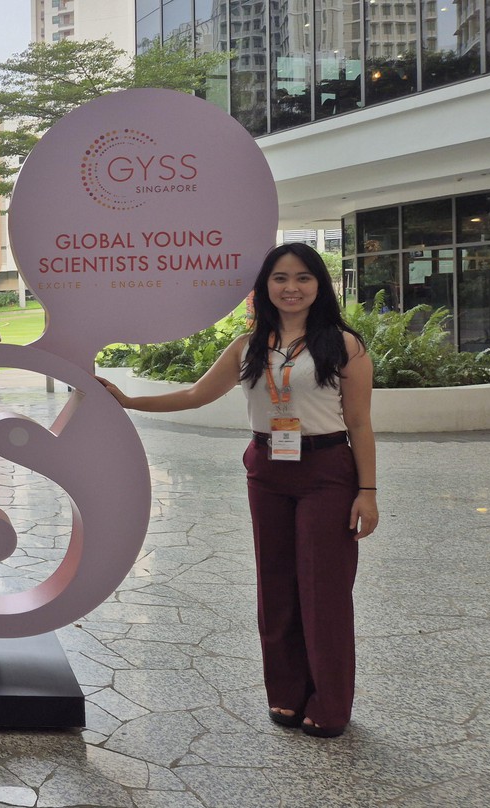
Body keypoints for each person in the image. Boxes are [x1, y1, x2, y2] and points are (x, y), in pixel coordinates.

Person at [97, 243, 378, 739]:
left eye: (303, 278)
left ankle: (330, 704)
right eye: (280, 278)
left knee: (324, 590)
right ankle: (287, 694)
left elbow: (359, 421)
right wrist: (129, 401)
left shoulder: (343, 345)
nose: (291, 288)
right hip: (267, 467)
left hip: (326, 469)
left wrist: (367, 491)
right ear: (265, 287)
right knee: (276, 586)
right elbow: (194, 394)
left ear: (319, 285)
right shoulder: (250, 345)